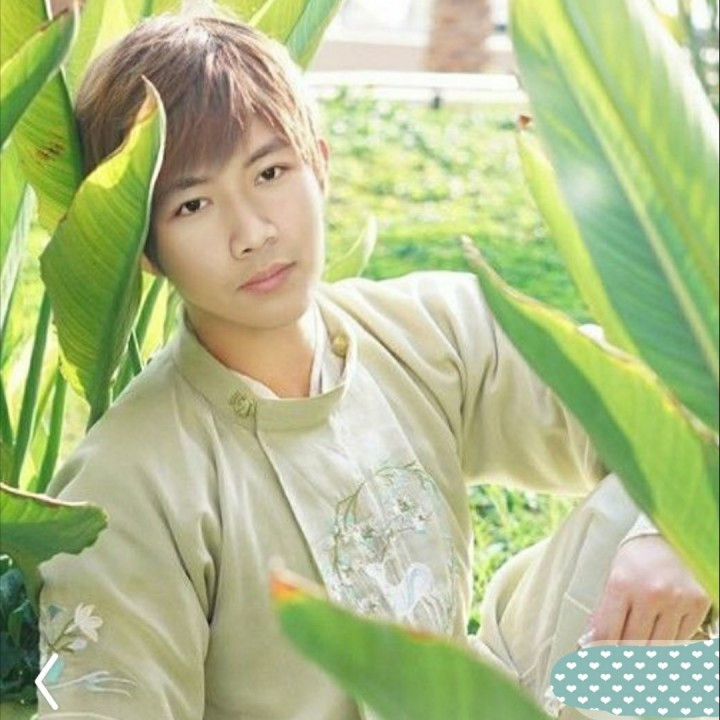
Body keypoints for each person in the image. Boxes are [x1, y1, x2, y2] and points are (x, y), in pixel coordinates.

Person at [36, 12, 713, 720]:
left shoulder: (427, 332)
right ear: (144, 248)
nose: (252, 233)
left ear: (320, 165)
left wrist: (672, 541)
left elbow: (674, 408)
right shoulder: (129, 484)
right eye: (194, 204)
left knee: (667, 525)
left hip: (502, 702)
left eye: (270, 172)